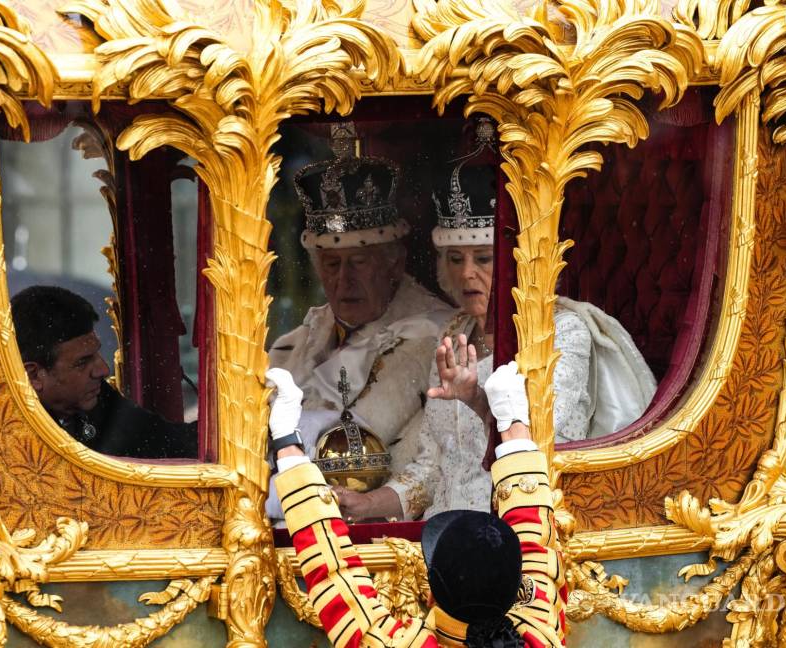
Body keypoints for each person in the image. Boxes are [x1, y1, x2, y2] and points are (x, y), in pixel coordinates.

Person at [335, 119, 657, 522]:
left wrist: (476, 399)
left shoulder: (559, 332)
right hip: (443, 537)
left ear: (512, 260)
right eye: (456, 259)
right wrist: (368, 503)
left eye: (483, 259)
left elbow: (536, 450)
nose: (466, 273)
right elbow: (433, 470)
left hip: (516, 538)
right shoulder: (454, 332)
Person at [266, 362, 565, 647]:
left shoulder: (541, 625)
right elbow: (537, 546)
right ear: (520, 590)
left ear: (431, 592)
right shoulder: (540, 633)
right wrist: (514, 426)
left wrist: (285, 440)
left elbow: (333, 573)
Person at [266, 122, 453, 518]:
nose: (343, 280)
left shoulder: (437, 335)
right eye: (331, 264)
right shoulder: (302, 340)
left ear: (394, 263)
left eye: (359, 263)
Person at [11, 285, 197, 459]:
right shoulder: (6, 436)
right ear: (34, 375)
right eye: (82, 362)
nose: (103, 370)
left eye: (96, 353)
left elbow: (172, 442)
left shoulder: (99, 401)